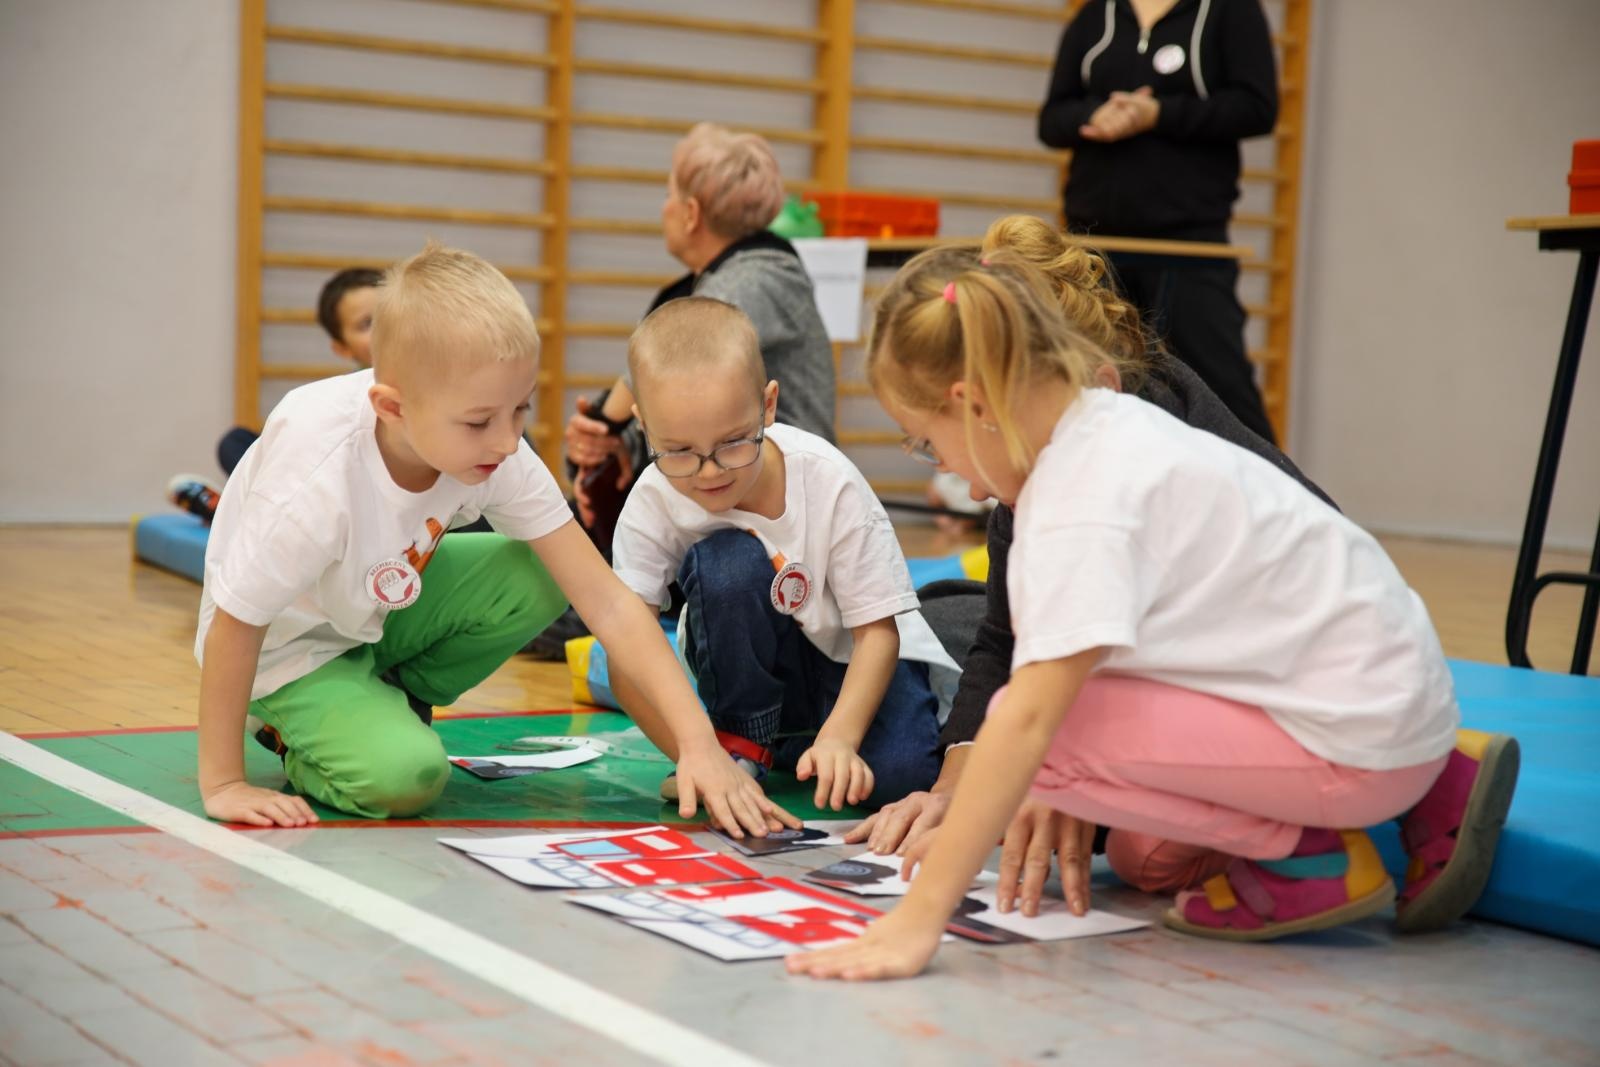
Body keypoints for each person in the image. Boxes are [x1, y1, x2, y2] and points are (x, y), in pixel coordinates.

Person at [787, 248, 1515, 981]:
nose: (942, 466)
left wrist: (918, 921)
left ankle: (1313, 855)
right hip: (1399, 703)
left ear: (973, 402)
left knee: (1045, 734)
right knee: (1115, 814)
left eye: (925, 440)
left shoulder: (1078, 499)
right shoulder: (1105, 421)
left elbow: (1028, 721)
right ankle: (1423, 787)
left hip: (1369, 738)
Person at [193, 244, 799, 841]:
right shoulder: (317, 478)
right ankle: (289, 732)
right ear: (393, 408)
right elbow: (235, 624)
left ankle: (391, 695)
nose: (510, 441)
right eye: (482, 421)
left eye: (521, 410)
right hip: (286, 651)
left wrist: (699, 748)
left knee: (540, 571)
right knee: (407, 777)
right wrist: (223, 784)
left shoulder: (488, 438)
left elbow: (608, 601)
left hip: (369, 612)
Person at [849, 215, 1332, 910]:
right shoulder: (1045, 443)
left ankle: (1336, 814)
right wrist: (957, 782)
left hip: (1278, 671)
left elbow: (1129, 649)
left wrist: (1064, 770)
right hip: (1200, 666)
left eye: (930, 444)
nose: (967, 486)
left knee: (1124, 834)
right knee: (954, 630)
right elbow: (1006, 635)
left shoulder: (1128, 454)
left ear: (983, 402)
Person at [606, 297, 955, 812]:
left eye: (732, 443)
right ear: (643, 426)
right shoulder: (652, 499)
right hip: (754, 666)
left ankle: (802, 742)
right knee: (726, 564)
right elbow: (625, 652)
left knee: (900, 779)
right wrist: (695, 754)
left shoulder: (829, 480)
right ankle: (745, 739)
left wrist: (841, 737)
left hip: (855, 661)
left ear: (768, 406)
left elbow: (878, 634)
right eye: (678, 451)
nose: (708, 472)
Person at [562, 122, 836, 553]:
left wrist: (602, 425)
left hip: (774, 497)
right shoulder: (716, 279)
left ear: (690, 213)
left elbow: (664, 365)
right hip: (723, 473)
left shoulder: (757, 277)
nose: (663, 208)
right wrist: (609, 443)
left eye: (669, 195)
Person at [1038, 0, 1278, 442]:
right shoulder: (1096, 15)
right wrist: (1093, 116)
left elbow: (1257, 106)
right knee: (1086, 386)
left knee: (1222, 392)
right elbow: (1052, 119)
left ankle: (1287, 503)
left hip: (1188, 245)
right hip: (1095, 245)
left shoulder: (1231, 11)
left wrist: (1159, 115)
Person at [171, 268, 385, 523]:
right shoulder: (343, 392)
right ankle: (236, 509)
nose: (384, 329)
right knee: (237, 442)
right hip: (327, 492)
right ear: (342, 348)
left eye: (388, 315)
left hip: (382, 495)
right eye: (367, 324)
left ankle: (229, 511)